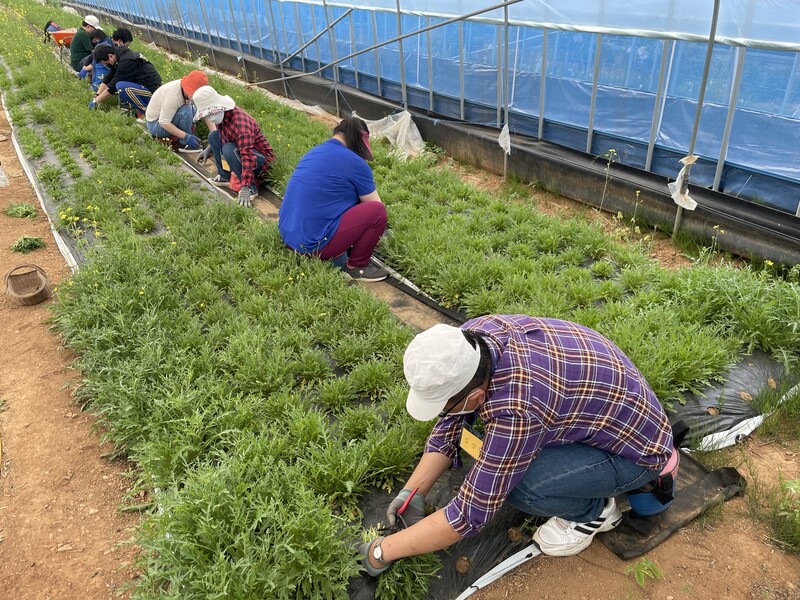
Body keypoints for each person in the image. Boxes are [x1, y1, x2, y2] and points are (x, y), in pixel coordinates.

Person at [358, 315, 674, 574]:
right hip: (602, 408)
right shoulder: (472, 339)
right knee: (496, 454)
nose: (441, 415)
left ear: (476, 397)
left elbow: (469, 514)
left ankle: (594, 512)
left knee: (521, 487)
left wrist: (382, 550)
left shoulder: (517, 409)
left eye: (443, 406)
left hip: (636, 452)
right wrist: (412, 493)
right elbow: (451, 421)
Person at [277, 116, 388, 282]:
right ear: (358, 141)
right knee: (377, 212)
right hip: (313, 246)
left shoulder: (314, 151)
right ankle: (356, 267)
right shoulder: (355, 162)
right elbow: (374, 204)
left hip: (289, 237)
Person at [193, 85, 275, 208]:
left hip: (259, 160)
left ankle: (251, 187)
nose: (209, 118)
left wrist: (245, 186)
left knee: (228, 149)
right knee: (213, 136)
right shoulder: (224, 117)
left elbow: (247, 155)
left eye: (210, 114)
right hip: (239, 150)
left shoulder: (240, 125)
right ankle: (224, 176)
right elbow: (221, 136)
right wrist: (209, 149)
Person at [89, 44, 162, 117]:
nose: (107, 65)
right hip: (142, 86)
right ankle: (136, 110)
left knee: (122, 87)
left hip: (153, 92)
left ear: (110, 56)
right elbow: (109, 77)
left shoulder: (126, 62)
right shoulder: (119, 54)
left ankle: (148, 113)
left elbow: (112, 88)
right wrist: (97, 95)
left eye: (107, 63)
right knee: (120, 86)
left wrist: (96, 101)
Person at [144, 70, 208, 153]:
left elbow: (205, 110)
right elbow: (163, 122)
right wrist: (186, 137)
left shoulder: (186, 92)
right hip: (156, 125)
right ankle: (184, 144)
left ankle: (187, 134)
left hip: (167, 118)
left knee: (194, 109)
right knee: (186, 111)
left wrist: (214, 133)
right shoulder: (173, 96)